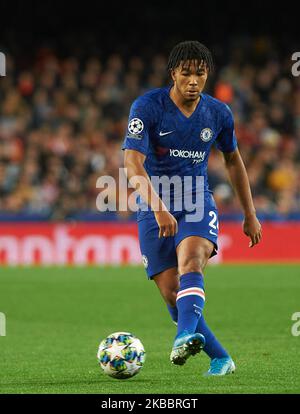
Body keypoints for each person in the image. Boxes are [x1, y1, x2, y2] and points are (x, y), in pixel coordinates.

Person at [122, 41, 262, 376]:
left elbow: (233, 160)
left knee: (192, 261)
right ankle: (220, 357)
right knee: (173, 295)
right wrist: (157, 208)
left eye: (200, 73)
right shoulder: (148, 107)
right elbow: (132, 162)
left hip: (196, 199)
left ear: (207, 75)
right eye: (186, 73)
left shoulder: (218, 113)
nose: (193, 80)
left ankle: (184, 336)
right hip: (155, 203)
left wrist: (250, 213)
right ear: (173, 74)